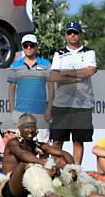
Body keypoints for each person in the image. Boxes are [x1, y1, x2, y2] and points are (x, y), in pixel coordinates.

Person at [50, 21, 97, 164]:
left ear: (80, 35)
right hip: (61, 104)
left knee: (78, 141)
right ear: (65, 35)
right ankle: (55, 171)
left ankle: (76, 173)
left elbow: (90, 70)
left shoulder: (89, 52)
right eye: (69, 32)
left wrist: (66, 74)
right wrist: (77, 77)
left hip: (82, 105)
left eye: (75, 32)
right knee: (57, 141)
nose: (72, 35)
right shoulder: (59, 53)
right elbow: (54, 76)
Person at [7, 34, 53, 143]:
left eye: (31, 45)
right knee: (19, 144)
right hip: (20, 112)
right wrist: (12, 109)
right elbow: (11, 88)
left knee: (43, 145)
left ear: (36, 47)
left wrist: (49, 109)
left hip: (40, 111)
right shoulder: (15, 66)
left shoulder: (46, 64)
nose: (28, 48)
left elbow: (51, 88)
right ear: (22, 47)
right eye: (25, 45)